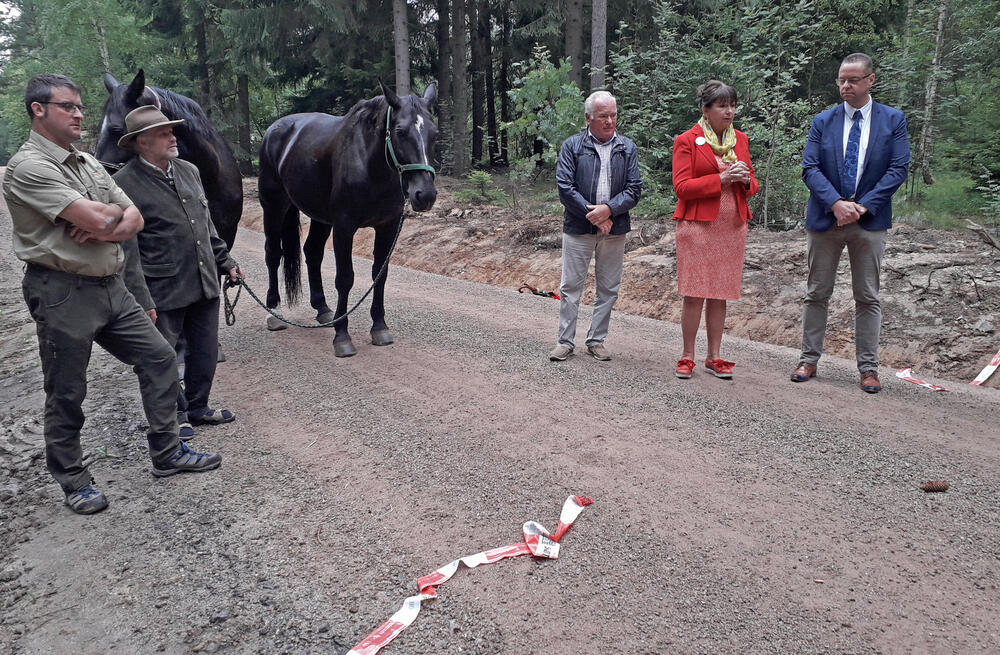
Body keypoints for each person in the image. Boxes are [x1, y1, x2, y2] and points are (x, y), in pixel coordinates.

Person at [2, 74, 222, 515]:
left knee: (159, 357)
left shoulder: (86, 164)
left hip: (110, 284)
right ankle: (74, 480)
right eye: (68, 106)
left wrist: (110, 221)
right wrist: (110, 220)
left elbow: (131, 217)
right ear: (38, 110)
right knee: (67, 390)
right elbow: (106, 219)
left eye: (81, 106)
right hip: (62, 291)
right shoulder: (29, 167)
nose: (79, 114)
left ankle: (166, 452)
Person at [113, 106, 242, 440]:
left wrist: (225, 261)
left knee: (204, 351)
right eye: (163, 133)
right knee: (163, 357)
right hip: (162, 288)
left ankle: (198, 407)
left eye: (172, 131)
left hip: (203, 280)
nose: (173, 137)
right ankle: (175, 415)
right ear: (141, 142)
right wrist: (141, 298)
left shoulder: (188, 170)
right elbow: (126, 250)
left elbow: (206, 223)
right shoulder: (122, 183)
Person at [793, 53, 910, 393]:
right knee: (816, 293)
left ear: (870, 80)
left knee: (868, 296)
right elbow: (809, 168)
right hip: (825, 219)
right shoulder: (823, 121)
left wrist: (861, 207)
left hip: (869, 222)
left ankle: (868, 369)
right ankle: (808, 360)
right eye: (842, 80)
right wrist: (835, 204)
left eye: (853, 80)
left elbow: (898, 169)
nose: (846, 86)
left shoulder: (893, 120)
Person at [671, 81, 758, 380]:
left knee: (720, 294)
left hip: (731, 228)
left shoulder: (741, 140)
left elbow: (752, 187)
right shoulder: (687, 140)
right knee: (695, 293)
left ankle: (714, 356)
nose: (729, 111)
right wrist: (721, 178)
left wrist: (745, 180)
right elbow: (681, 188)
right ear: (705, 110)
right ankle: (687, 356)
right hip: (696, 227)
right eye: (722, 105)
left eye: (732, 105)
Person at [550, 90, 642, 362]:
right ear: (588, 118)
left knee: (609, 287)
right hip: (579, 227)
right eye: (603, 116)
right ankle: (565, 342)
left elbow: (634, 189)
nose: (610, 121)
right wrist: (594, 215)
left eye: (613, 115)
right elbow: (565, 188)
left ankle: (596, 340)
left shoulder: (627, 147)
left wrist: (609, 210)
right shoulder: (572, 146)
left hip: (615, 228)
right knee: (570, 287)